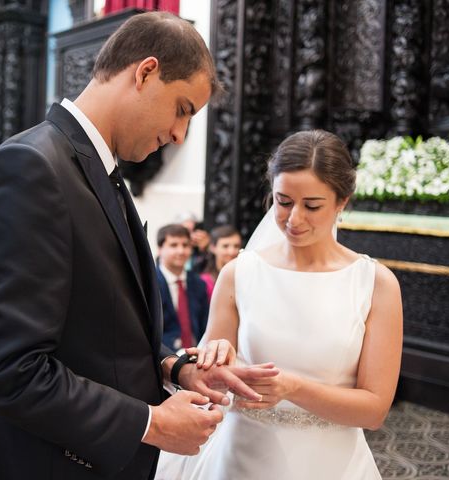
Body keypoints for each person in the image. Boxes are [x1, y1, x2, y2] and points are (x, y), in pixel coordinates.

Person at [0, 11, 277, 480]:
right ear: (146, 72)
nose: (179, 135)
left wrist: (176, 370)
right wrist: (150, 422)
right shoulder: (31, 167)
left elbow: (101, 332)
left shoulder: (97, 169)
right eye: (182, 109)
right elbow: (11, 371)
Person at [156, 130, 403, 480]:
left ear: (342, 202)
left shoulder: (375, 284)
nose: (294, 219)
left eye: (312, 206)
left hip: (331, 463)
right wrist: (216, 358)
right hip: (244, 456)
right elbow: (209, 379)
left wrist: (295, 388)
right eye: (283, 202)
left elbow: (375, 410)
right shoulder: (238, 273)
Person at [156, 224, 209, 352]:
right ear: (160, 249)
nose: (181, 251)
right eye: (174, 245)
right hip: (162, 356)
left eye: (185, 245)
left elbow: (205, 325)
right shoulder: (149, 282)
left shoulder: (199, 284)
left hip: (197, 355)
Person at [199, 225, 241, 301]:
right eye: (225, 246)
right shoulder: (204, 282)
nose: (231, 252)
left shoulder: (243, 277)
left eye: (236, 246)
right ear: (212, 247)